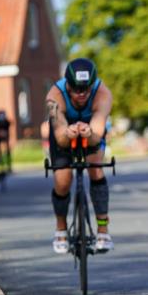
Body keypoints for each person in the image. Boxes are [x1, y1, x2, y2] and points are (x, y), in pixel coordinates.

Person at [45, 58, 114, 254]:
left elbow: (97, 134)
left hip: (91, 131)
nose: (81, 94)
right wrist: (68, 133)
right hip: (63, 132)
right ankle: (61, 228)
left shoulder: (103, 94)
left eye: (86, 89)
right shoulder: (53, 97)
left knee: (96, 169)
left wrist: (88, 133)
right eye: (75, 89)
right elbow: (60, 137)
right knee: (62, 180)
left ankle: (103, 229)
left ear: (92, 85)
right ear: (67, 84)